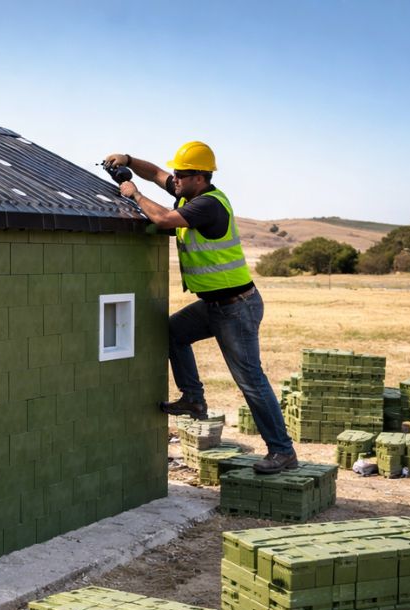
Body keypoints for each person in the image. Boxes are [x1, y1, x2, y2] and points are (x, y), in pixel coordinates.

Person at [102, 142, 298, 474]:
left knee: (250, 379)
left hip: (236, 308)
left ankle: (282, 452)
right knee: (173, 332)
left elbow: (163, 219)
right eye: (176, 173)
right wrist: (129, 160)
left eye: (181, 174)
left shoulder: (207, 205)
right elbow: (155, 174)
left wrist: (134, 194)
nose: (174, 178)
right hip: (215, 305)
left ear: (200, 177)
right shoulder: (187, 193)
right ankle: (193, 398)